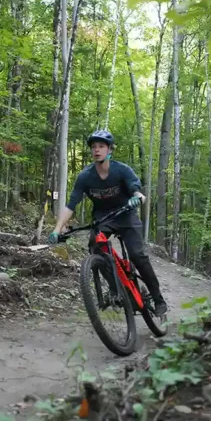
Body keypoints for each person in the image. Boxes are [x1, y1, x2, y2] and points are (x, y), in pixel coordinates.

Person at [48, 129, 168, 316]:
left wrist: (137, 197)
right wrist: (57, 229)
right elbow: (71, 205)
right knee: (96, 247)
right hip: (104, 217)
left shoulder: (122, 170)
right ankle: (117, 288)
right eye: (94, 147)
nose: (97, 150)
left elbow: (136, 190)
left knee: (137, 255)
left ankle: (158, 299)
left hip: (126, 214)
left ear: (110, 150)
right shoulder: (85, 176)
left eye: (101, 146)